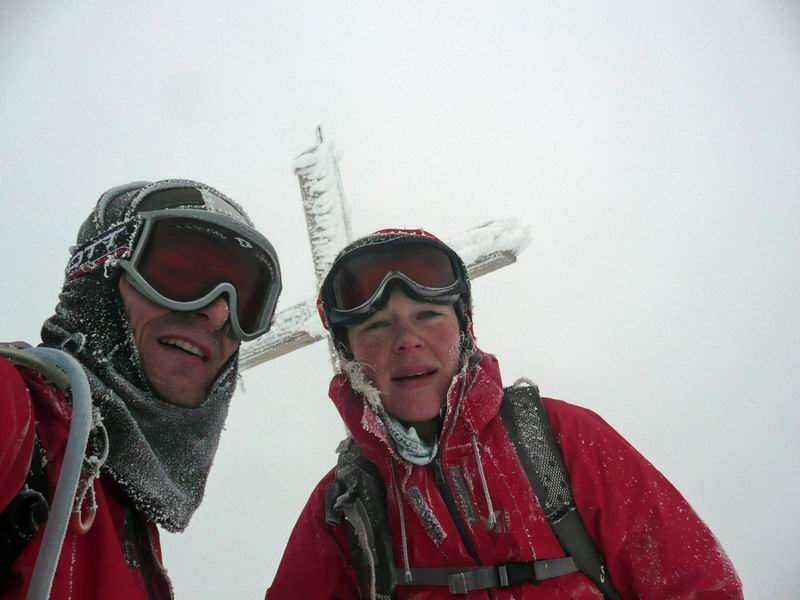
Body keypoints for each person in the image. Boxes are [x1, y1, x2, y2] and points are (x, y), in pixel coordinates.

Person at [266, 228, 743, 599]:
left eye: (429, 316)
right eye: (376, 326)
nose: (407, 340)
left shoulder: (559, 439)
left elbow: (696, 584)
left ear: (464, 332)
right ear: (348, 355)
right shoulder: (344, 508)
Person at [0, 180, 282, 599]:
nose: (219, 312)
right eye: (179, 272)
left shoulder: (119, 505)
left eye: (249, 298)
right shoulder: (19, 414)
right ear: (100, 272)